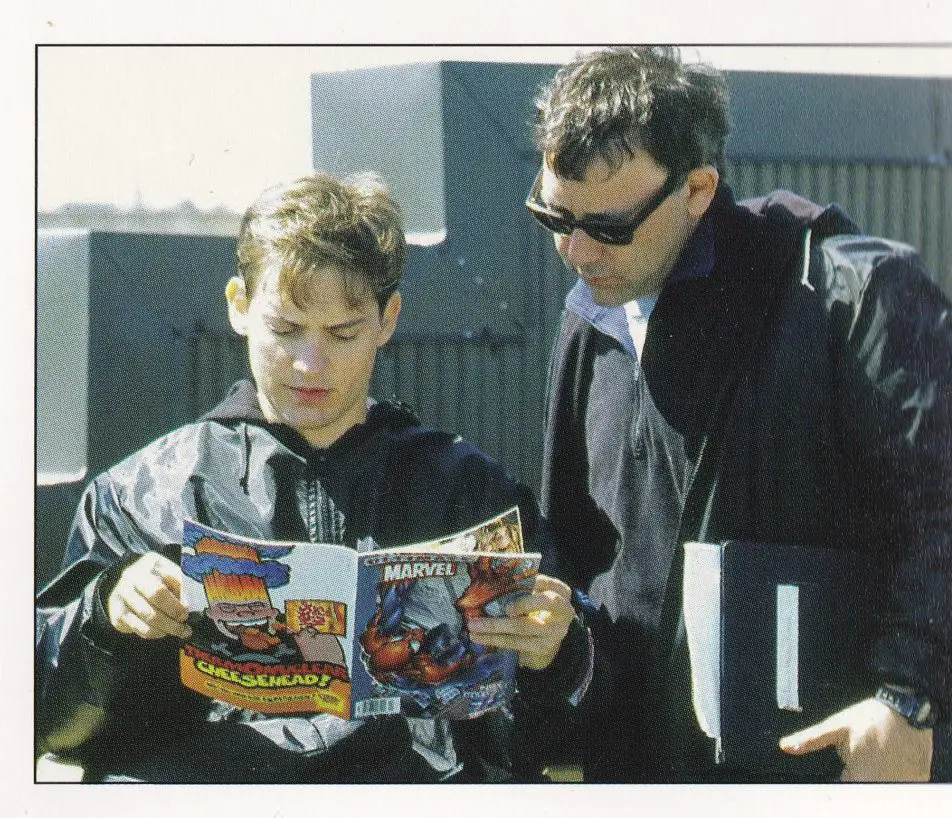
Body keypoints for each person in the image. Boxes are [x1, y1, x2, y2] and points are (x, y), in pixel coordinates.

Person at [526, 47, 952, 782]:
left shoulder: (857, 295)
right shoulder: (590, 321)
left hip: (832, 770)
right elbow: (575, 553)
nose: (574, 251)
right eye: (553, 214)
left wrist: (908, 700)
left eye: (606, 227)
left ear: (699, 189)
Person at [34, 172, 578, 783]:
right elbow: (45, 720)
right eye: (286, 329)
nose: (310, 364)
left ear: (387, 320)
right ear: (239, 306)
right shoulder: (138, 495)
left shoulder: (472, 494)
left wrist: (561, 652)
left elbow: (558, 739)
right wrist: (104, 613)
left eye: (343, 335)